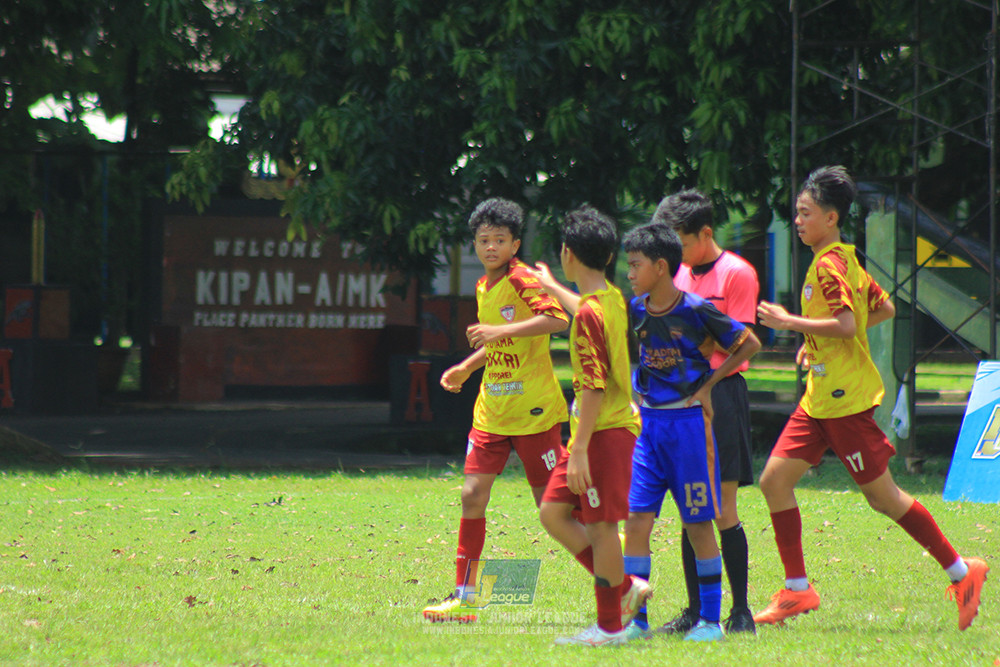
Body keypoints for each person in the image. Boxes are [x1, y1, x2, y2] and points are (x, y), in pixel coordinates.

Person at [755, 165, 989, 630]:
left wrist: (790, 324)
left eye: (805, 213)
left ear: (832, 217)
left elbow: (846, 324)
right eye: (796, 213)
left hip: (844, 403)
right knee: (774, 482)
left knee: (885, 499)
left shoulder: (828, 264)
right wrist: (814, 341)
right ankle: (797, 591)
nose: (797, 221)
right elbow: (882, 308)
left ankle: (964, 573)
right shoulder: (844, 258)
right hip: (820, 399)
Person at [422, 197, 570, 623]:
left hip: (534, 412)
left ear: (515, 243)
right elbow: (498, 343)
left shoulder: (523, 279)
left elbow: (558, 320)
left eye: (499, 240)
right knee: (471, 495)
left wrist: (498, 329)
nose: (490, 247)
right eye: (483, 240)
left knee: (552, 508)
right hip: (492, 410)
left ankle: (614, 560)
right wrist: (467, 367)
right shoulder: (484, 286)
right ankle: (465, 595)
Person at [621, 221, 761, 642]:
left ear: (660, 267)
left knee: (699, 522)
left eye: (635, 265)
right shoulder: (637, 308)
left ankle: (709, 622)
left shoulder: (696, 309)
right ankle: (637, 622)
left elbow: (749, 343)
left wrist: (708, 388)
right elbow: (638, 357)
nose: (630, 273)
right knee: (637, 519)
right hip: (649, 427)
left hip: (688, 428)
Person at [529, 205, 649, 647]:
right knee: (553, 512)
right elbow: (586, 306)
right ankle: (624, 590)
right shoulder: (612, 299)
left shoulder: (587, 319)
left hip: (603, 433)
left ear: (568, 253)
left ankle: (610, 627)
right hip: (604, 430)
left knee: (600, 528)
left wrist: (577, 450)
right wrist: (552, 287)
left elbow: (594, 388)